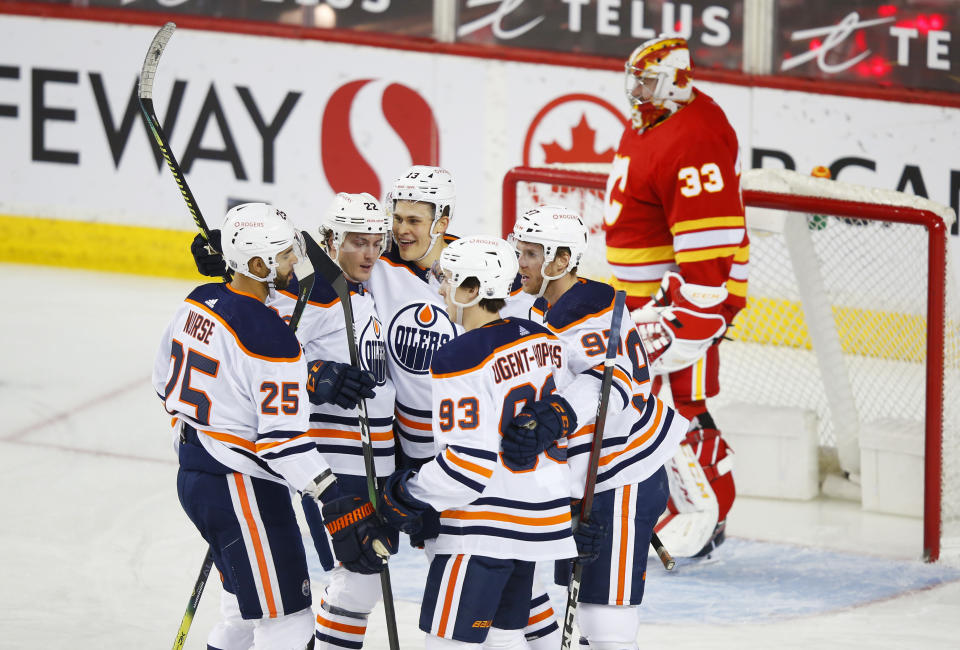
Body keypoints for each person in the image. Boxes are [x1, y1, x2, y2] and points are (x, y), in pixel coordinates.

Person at [160, 203, 390, 650]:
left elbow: (162, 383)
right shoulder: (272, 337)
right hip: (240, 487)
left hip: (194, 472)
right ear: (260, 265)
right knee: (287, 624)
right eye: (286, 256)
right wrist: (331, 494)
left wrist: (204, 436)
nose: (296, 263)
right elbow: (282, 442)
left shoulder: (197, 300)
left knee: (243, 614)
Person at [376, 236, 600, 649]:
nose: (441, 289)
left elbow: (466, 467)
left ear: (474, 290)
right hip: (533, 526)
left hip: (480, 529)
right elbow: (589, 396)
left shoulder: (458, 356)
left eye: (448, 280)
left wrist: (405, 493)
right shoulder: (545, 340)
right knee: (506, 640)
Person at [502, 205, 688, 650]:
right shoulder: (542, 302)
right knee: (580, 605)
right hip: (586, 477)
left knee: (606, 624)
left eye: (529, 254)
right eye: (518, 250)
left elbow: (612, 384)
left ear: (561, 260)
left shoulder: (591, 310)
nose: (519, 262)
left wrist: (555, 415)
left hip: (622, 475)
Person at [602, 35, 747, 557]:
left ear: (675, 79)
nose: (634, 90)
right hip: (645, 300)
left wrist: (692, 311)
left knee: (682, 407)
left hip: (682, 302)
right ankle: (670, 509)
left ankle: (708, 517)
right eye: (633, 79)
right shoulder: (656, 119)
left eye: (645, 80)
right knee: (651, 405)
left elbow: (709, 245)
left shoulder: (695, 137)